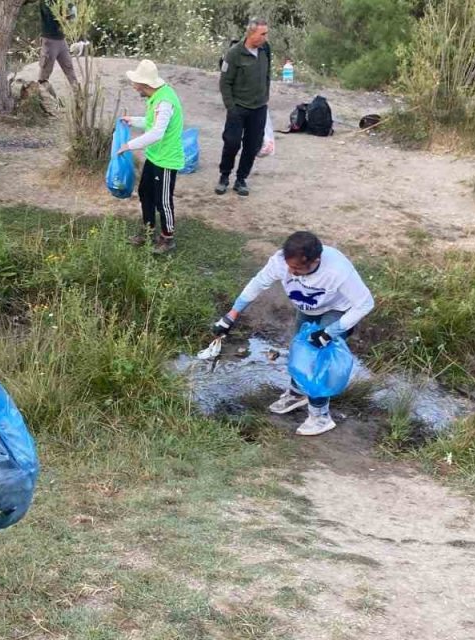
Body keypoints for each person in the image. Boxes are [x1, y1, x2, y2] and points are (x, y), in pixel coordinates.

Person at [211, 231, 374, 436]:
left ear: (315, 261)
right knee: (298, 350)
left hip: (337, 311)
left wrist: (330, 332)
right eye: (289, 266)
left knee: (318, 358)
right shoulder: (281, 261)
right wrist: (231, 315)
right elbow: (258, 283)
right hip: (307, 309)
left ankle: (320, 417)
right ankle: (297, 393)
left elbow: (365, 303)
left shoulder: (338, 271)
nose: (291, 271)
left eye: (297, 268)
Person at [117, 60, 185, 254]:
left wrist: (129, 146)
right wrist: (133, 121)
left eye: (136, 83)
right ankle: (148, 231)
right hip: (155, 156)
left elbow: (157, 133)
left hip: (166, 160)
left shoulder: (165, 101)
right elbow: (151, 122)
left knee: (163, 201)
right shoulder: (156, 97)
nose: (134, 86)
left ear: (146, 85)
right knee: (145, 193)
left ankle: (167, 238)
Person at [216, 18, 271, 197]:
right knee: (232, 142)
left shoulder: (265, 49)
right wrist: (231, 108)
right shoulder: (234, 53)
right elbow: (225, 83)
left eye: (266, 33)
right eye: (262, 34)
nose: (265, 37)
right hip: (238, 107)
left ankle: (241, 179)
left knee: (252, 144)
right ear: (250, 33)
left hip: (259, 108)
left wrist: (265, 98)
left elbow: (267, 75)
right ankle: (224, 176)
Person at [37, 0, 78, 95]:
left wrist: (71, 8)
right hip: (50, 40)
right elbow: (54, 15)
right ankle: (41, 95)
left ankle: (78, 94)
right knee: (45, 72)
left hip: (61, 39)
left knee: (69, 67)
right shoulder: (46, 2)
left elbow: (67, 10)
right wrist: (69, 14)